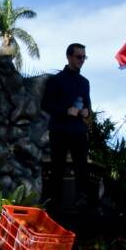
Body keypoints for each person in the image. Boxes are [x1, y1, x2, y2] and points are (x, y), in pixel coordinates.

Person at [41, 43, 92, 209]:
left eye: (84, 57)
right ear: (69, 57)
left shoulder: (85, 82)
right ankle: (54, 206)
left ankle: (82, 203)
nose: (82, 60)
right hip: (60, 131)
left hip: (78, 131)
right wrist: (66, 110)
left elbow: (88, 105)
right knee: (57, 168)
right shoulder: (56, 80)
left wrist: (87, 112)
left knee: (82, 168)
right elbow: (46, 104)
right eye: (79, 57)